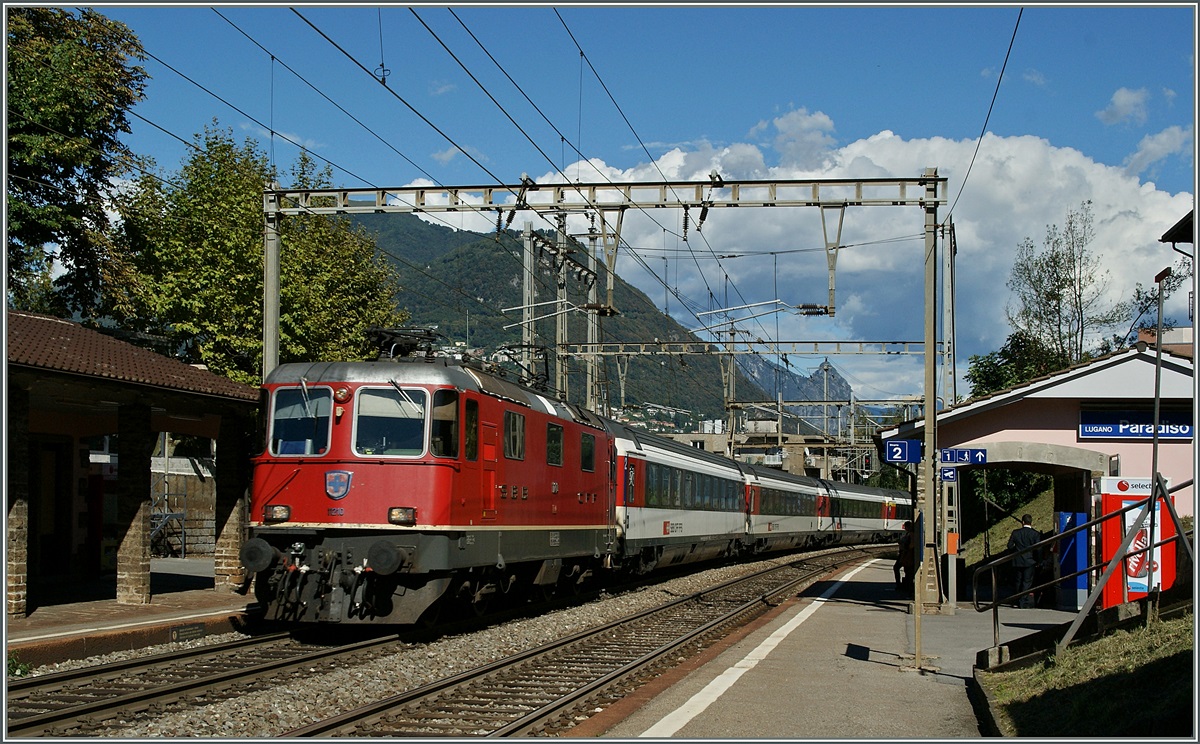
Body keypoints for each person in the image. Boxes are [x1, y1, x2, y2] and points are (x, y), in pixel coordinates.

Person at [1007, 514, 1041, 608]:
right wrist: (1038, 560)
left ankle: (1018, 599)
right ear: (1031, 522)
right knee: (1027, 581)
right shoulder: (1035, 534)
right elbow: (1038, 549)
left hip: (1017, 560)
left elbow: (1009, 546)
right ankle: (1023, 600)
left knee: (1018, 581)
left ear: (1022, 522)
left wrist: (1015, 552)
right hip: (1030, 560)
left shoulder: (1015, 533)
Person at [893, 521, 914, 591]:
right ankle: (903, 585)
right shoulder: (908, 534)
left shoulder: (911, 534)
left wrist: (905, 546)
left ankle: (901, 585)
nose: (905, 528)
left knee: (899, 568)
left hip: (906, 554)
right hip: (904, 554)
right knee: (906, 570)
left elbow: (911, 544)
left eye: (906, 526)